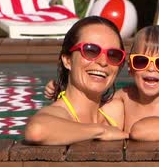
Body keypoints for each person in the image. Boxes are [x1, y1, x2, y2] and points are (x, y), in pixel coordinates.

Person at [44, 25, 159, 132]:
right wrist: (61, 93)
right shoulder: (124, 98)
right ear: (130, 67)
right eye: (141, 61)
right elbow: (86, 112)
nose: (151, 68)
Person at [24, 16, 129, 145]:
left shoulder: (116, 111)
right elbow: (36, 131)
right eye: (90, 50)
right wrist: (101, 131)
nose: (102, 62)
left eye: (113, 55)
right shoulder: (60, 113)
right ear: (68, 60)